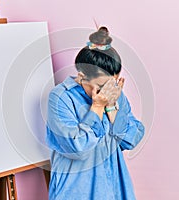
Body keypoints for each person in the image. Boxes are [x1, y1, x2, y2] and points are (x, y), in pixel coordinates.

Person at [46, 27, 145, 200]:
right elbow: (77, 148)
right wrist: (98, 107)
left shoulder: (114, 94)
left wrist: (112, 107)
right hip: (77, 190)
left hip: (114, 187)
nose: (108, 91)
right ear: (82, 76)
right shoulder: (61, 98)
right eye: (101, 86)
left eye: (112, 84)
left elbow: (132, 139)